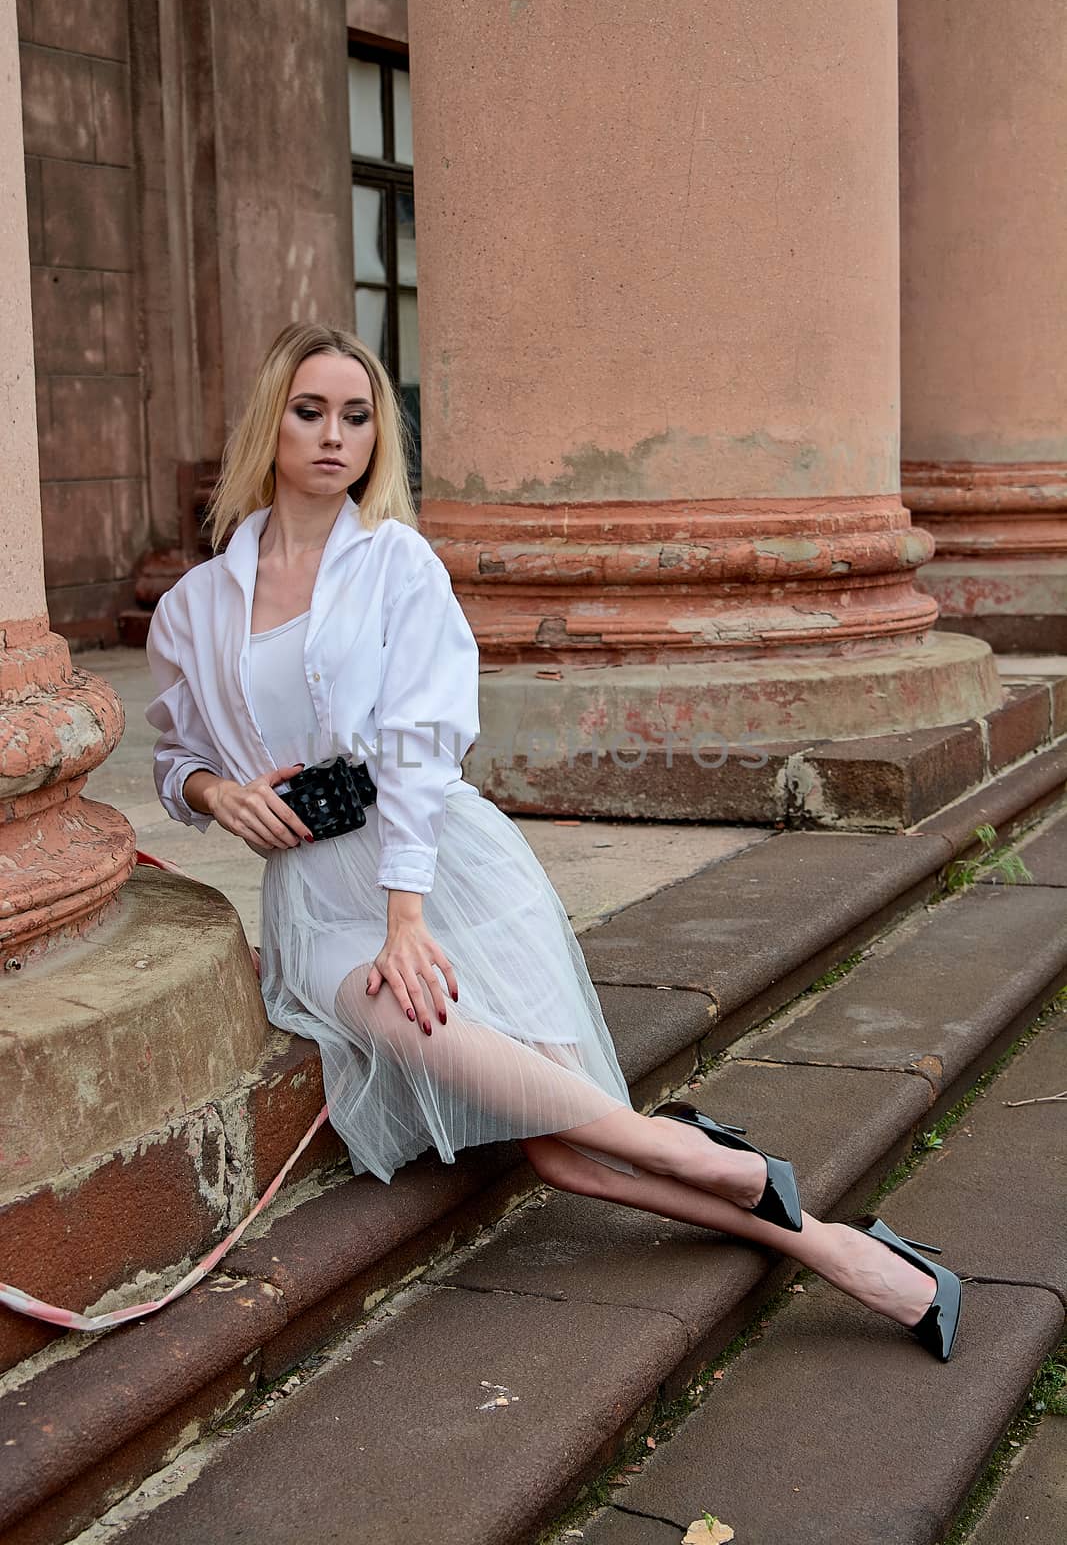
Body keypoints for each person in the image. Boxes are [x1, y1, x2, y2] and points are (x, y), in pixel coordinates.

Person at [145, 322, 962, 1362]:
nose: (332, 436)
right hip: (314, 900)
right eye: (310, 411)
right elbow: (173, 759)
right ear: (271, 422)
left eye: (357, 417)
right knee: (413, 1024)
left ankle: (845, 1254)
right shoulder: (192, 608)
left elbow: (421, 745)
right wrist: (215, 790)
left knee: (566, 1154)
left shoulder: (397, 565)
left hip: (440, 871)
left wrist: (407, 918)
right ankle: (720, 1162)